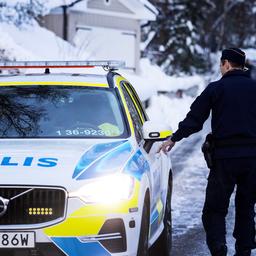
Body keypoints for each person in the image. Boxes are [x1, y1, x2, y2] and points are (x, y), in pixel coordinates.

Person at [159, 48, 256, 256]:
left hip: (224, 160)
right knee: (246, 207)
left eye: (221, 64)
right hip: (252, 160)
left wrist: (175, 137)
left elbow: (195, 119)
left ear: (227, 64)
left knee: (215, 209)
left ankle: (219, 248)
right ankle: (245, 251)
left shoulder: (216, 88)